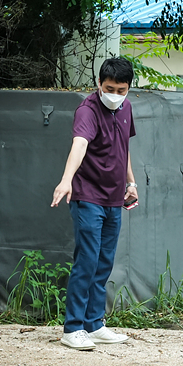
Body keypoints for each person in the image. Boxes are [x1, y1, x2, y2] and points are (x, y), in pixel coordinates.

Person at [50, 57, 138, 350]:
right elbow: (80, 144)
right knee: (87, 260)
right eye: (110, 88)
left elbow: (123, 148)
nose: (115, 94)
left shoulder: (126, 108)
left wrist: (131, 183)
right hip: (88, 196)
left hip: (115, 198)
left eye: (122, 89)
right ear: (99, 84)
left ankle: (95, 324)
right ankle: (72, 327)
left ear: (128, 89)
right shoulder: (87, 110)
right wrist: (66, 180)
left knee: (104, 263)